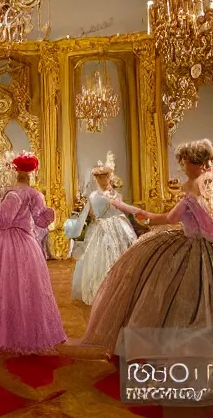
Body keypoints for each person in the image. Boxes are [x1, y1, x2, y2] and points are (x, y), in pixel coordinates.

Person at [81, 139, 213, 355]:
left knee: (168, 293)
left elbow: (169, 218)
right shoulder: (208, 185)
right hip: (203, 246)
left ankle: (174, 347)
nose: (182, 167)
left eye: (184, 162)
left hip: (193, 247)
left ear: (195, 163)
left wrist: (137, 213)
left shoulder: (192, 188)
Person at [0, 152, 66, 354]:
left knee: (1, 290)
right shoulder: (35, 194)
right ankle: (20, 333)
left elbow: (0, 219)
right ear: (32, 172)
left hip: (3, 244)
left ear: (14, 171)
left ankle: (3, 334)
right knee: (22, 291)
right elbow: (42, 220)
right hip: (25, 244)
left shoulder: (13, 193)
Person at [65, 152, 137, 304]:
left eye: (104, 176)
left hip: (117, 227)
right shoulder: (94, 196)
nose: (101, 179)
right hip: (101, 229)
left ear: (108, 177)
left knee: (119, 253)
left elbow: (117, 210)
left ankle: (120, 288)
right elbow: (91, 214)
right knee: (99, 256)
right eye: (99, 177)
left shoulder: (114, 195)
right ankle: (102, 289)